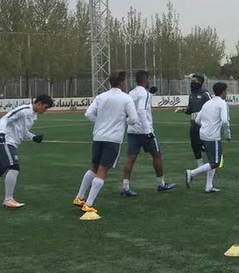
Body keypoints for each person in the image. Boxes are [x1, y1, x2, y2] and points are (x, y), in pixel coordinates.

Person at [72, 71, 139, 221]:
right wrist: (121, 121)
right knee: (102, 171)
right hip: (112, 139)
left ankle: (79, 197)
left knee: (94, 168)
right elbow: (134, 120)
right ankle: (88, 204)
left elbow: (88, 114)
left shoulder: (101, 97)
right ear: (122, 82)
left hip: (98, 137)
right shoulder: (126, 98)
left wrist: (100, 123)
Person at [0, 95, 54, 211]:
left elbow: (22, 131)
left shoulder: (33, 116)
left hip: (11, 143)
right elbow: (4, 119)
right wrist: (1, 133)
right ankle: (8, 200)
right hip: (5, 142)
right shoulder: (24, 110)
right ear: (39, 103)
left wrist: (33, 137)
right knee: (14, 167)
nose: (45, 111)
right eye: (45, 108)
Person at [121, 70, 176, 196]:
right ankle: (161, 183)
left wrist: (150, 94)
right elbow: (141, 110)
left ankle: (125, 186)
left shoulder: (131, 93)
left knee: (131, 157)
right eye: (148, 79)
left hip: (132, 130)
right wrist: (147, 131)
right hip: (144, 130)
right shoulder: (143, 93)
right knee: (156, 155)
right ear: (145, 80)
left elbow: (133, 108)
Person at [185, 81, 231, 193]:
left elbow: (197, 120)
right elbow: (225, 120)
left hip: (203, 135)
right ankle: (191, 173)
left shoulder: (208, 103)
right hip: (212, 136)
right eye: (226, 91)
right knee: (216, 162)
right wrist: (228, 134)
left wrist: (206, 126)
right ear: (223, 92)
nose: (227, 93)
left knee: (213, 159)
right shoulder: (222, 103)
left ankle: (208, 186)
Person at [185, 74, 212, 168]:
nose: (192, 83)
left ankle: (213, 161)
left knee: (204, 145)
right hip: (193, 124)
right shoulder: (191, 95)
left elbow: (211, 106)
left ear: (200, 83)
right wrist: (186, 110)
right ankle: (200, 165)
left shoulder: (205, 94)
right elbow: (190, 108)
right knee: (194, 145)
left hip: (204, 124)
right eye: (191, 82)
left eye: (194, 81)